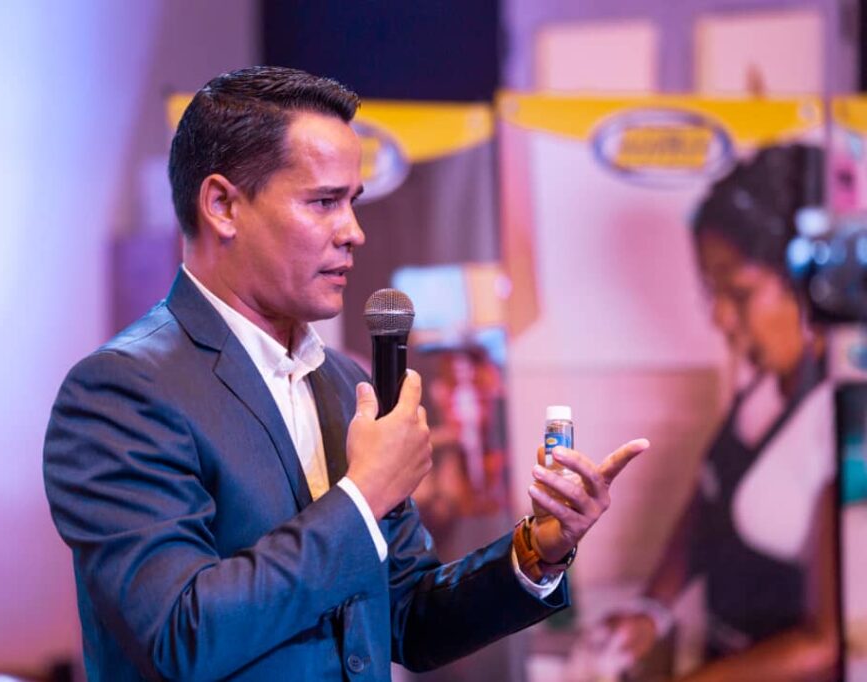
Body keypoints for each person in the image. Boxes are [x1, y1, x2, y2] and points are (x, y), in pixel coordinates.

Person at [43, 66, 649, 681]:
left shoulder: (341, 383)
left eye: (352, 202)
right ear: (223, 205)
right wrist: (364, 495)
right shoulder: (121, 391)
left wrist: (538, 550)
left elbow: (408, 617)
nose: (354, 232)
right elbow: (181, 635)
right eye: (323, 202)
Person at [596, 144, 839, 680]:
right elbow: (708, 509)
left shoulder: (842, 419)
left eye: (740, 293)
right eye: (713, 292)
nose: (721, 319)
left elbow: (827, 642)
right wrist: (653, 611)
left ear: (807, 284)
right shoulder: (763, 389)